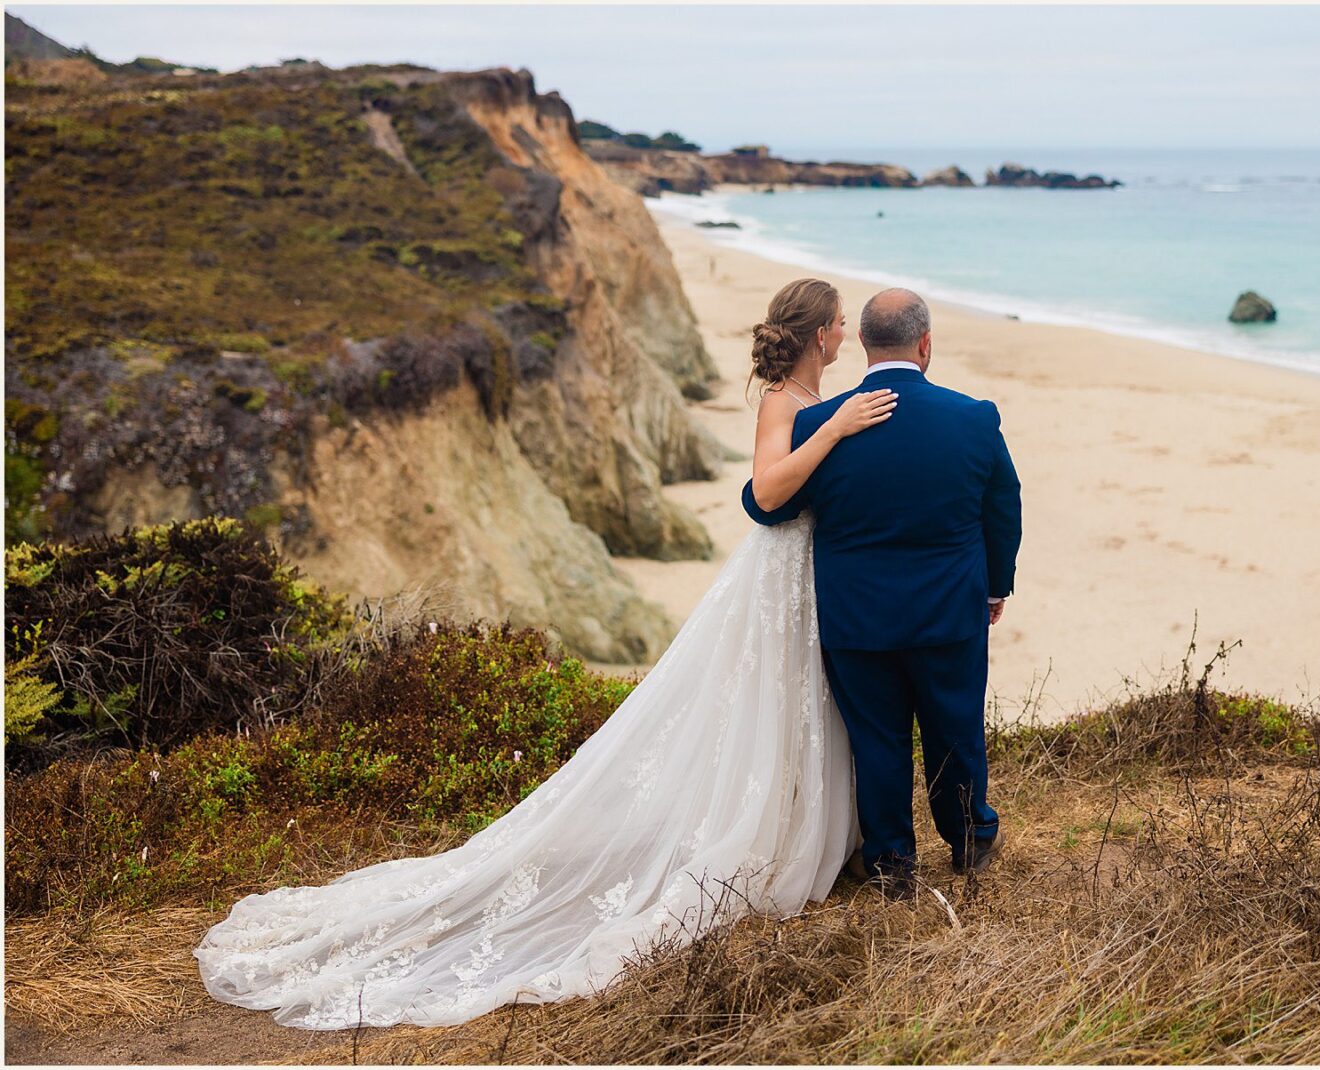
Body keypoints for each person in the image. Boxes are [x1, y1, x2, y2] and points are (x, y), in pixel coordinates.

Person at [192, 277, 896, 1030]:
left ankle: (802, 823)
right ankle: (763, 834)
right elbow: (766, 488)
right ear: (819, 333)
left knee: (794, 702)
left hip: (810, 574)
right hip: (777, 572)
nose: (846, 330)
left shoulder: (822, 402)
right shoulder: (785, 406)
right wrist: (833, 432)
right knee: (766, 698)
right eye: (839, 322)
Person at [742, 287, 1023, 897]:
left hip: (855, 615)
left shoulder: (820, 423)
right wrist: (995, 588)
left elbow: (771, 507)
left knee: (877, 738)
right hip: (950, 611)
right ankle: (970, 839)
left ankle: (894, 863)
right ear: (925, 345)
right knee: (954, 727)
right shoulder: (973, 417)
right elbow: (1003, 510)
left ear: (865, 345)